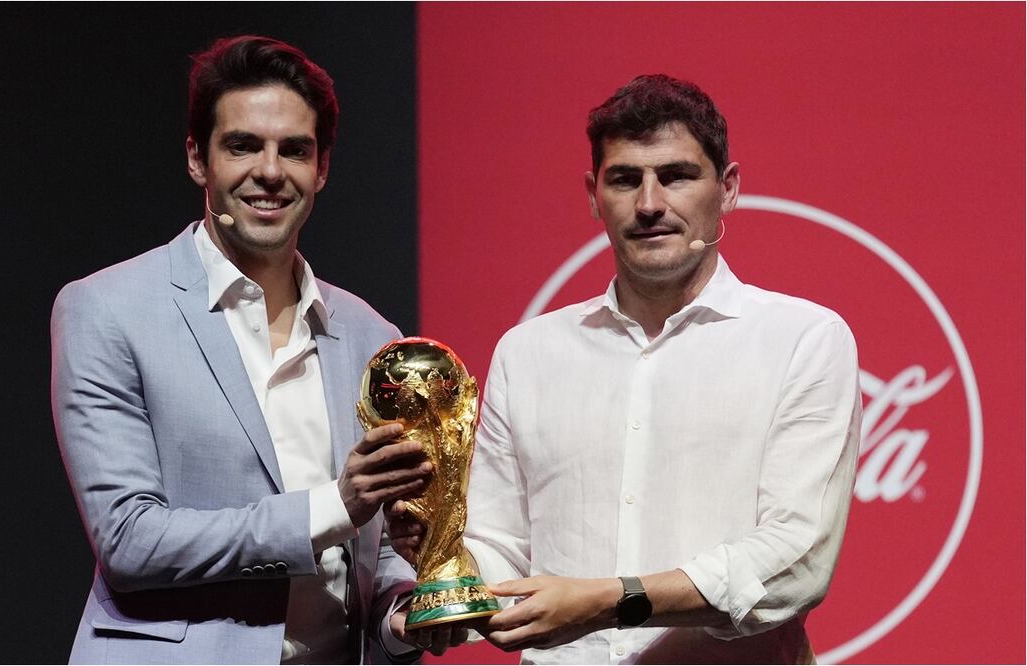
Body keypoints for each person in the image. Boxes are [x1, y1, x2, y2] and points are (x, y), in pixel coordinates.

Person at [388, 74, 862, 664]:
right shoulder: (528, 350)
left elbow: (795, 560)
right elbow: (501, 544)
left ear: (729, 188)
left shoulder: (804, 340)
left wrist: (613, 600)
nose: (649, 204)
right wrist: (444, 570)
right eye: (624, 179)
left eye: (676, 176)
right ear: (593, 194)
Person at [51, 35, 451, 664]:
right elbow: (129, 540)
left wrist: (405, 615)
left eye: (294, 150)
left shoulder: (373, 335)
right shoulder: (107, 309)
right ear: (197, 159)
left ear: (321, 169)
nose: (270, 171)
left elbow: (383, 551)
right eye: (243, 146)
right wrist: (331, 507)